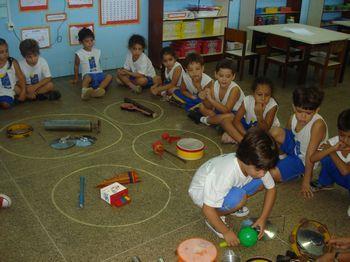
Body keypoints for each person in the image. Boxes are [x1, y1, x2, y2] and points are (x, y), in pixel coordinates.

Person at [188, 127, 278, 246]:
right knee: (239, 198)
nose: (263, 173)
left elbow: (271, 189)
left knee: (262, 181)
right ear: (245, 159)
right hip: (203, 194)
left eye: (265, 169)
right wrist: (226, 232)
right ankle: (216, 218)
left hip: (223, 187)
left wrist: (262, 219)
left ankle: (229, 205)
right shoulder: (226, 173)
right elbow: (207, 209)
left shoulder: (255, 163)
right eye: (259, 169)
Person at [269, 87, 327, 199]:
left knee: (272, 174)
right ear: (293, 107)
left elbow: (310, 155)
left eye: (308, 113)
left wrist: (306, 181)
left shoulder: (317, 125)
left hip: (304, 159)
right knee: (274, 132)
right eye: (299, 111)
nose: (303, 117)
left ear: (316, 110)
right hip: (296, 147)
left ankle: (298, 174)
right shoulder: (292, 118)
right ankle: (283, 158)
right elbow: (288, 134)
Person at [310, 109, 350, 216]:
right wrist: (329, 149)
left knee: (330, 156)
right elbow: (312, 158)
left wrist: (332, 151)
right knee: (325, 157)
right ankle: (326, 182)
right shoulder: (335, 140)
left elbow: (345, 171)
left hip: (347, 177)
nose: (345, 140)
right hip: (342, 177)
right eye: (342, 135)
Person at [220, 76, 279, 144]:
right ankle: (243, 141)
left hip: (265, 132)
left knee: (270, 137)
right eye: (259, 94)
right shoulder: (248, 100)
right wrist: (246, 135)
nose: (263, 98)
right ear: (253, 93)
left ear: (271, 95)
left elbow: (265, 130)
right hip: (249, 128)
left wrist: (259, 115)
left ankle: (242, 140)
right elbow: (236, 121)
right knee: (225, 121)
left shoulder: (272, 106)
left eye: (267, 95)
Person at [189, 58, 244, 126]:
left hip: (235, 113)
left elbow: (227, 110)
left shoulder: (234, 89)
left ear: (233, 77)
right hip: (220, 111)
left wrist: (211, 100)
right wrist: (205, 97)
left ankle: (204, 120)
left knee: (230, 116)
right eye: (221, 76)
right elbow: (209, 106)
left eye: (228, 76)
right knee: (202, 106)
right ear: (216, 74)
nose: (224, 79)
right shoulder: (214, 84)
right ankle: (217, 121)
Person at [72, 27, 112, 100]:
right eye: (87, 41)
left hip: (99, 74)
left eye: (91, 40)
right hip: (88, 76)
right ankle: (84, 92)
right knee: (87, 77)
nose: (90, 43)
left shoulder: (97, 51)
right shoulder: (79, 53)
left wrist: (100, 73)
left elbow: (98, 63)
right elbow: (76, 66)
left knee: (109, 76)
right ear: (81, 42)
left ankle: (98, 90)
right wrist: (76, 78)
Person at [0, 38, 26, 109]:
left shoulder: (12, 62)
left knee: (5, 105)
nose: (5, 54)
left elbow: (21, 77)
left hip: (8, 90)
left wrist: (23, 91)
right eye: (1, 52)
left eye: (6, 51)